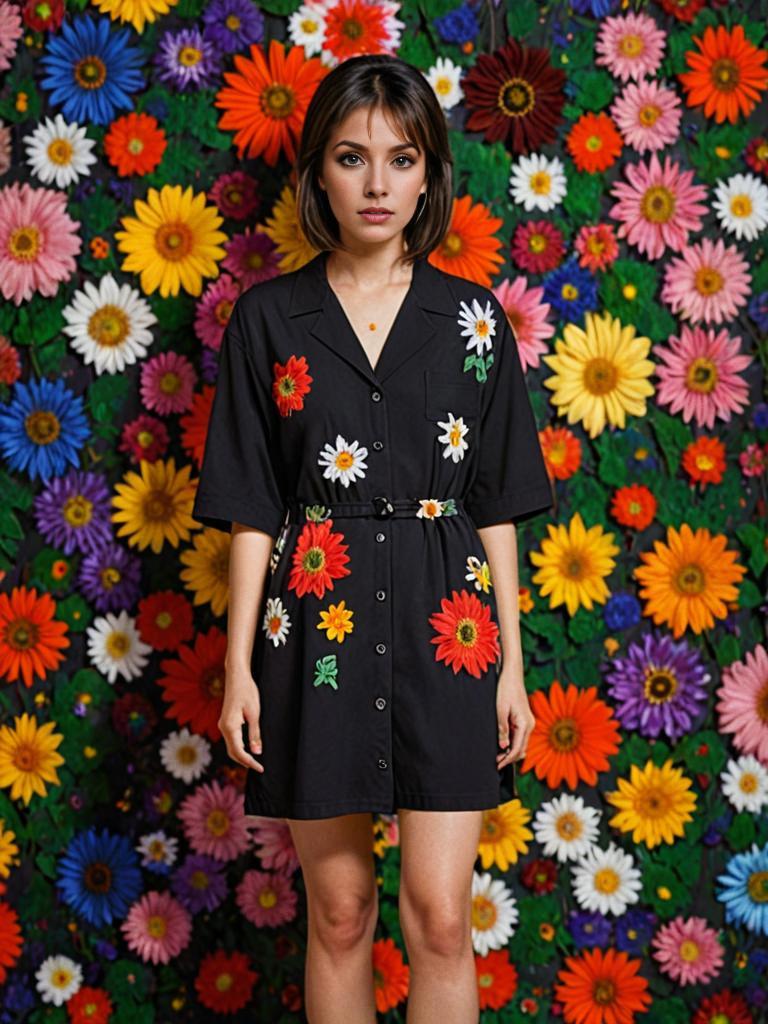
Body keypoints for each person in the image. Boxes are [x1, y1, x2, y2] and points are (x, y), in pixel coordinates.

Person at [192, 53, 553, 1024]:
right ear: (317, 174)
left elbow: (498, 504)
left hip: (452, 629)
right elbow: (252, 503)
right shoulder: (269, 319)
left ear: (431, 171)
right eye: (353, 158)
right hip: (315, 635)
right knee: (342, 912)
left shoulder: (477, 321)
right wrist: (238, 671)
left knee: (439, 916)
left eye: (401, 158)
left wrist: (513, 667)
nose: (378, 183)